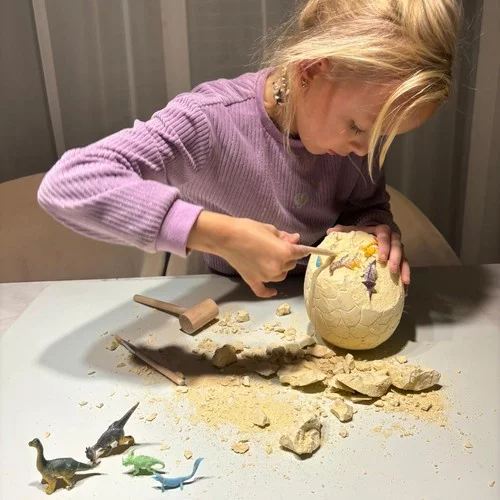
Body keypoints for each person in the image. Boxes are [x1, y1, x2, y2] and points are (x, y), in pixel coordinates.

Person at [38, 0, 462, 298]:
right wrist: (219, 235)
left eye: (383, 138)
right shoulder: (209, 121)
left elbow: (366, 204)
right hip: (223, 304)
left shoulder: (355, 141)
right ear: (310, 71)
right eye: (358, 127)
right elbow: (68, 184)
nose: (363, 151)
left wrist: (374, 228)